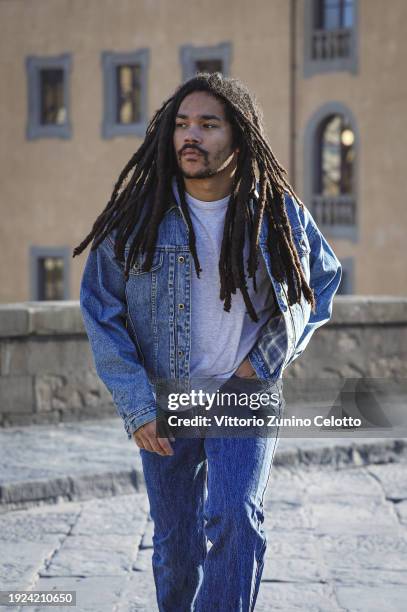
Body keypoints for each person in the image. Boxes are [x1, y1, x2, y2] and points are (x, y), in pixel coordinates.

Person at [74, 72, 342, 611]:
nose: (189, 136)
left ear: (238, 137)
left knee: (236, 518)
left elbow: (323, 279)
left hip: (244, 394)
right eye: (181, 124)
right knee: (177, 547)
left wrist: (260, 363)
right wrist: (136, 405)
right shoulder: (137, 216)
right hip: (169, 398)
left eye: (207, 125)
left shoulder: (277, 212)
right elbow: (101, 309)